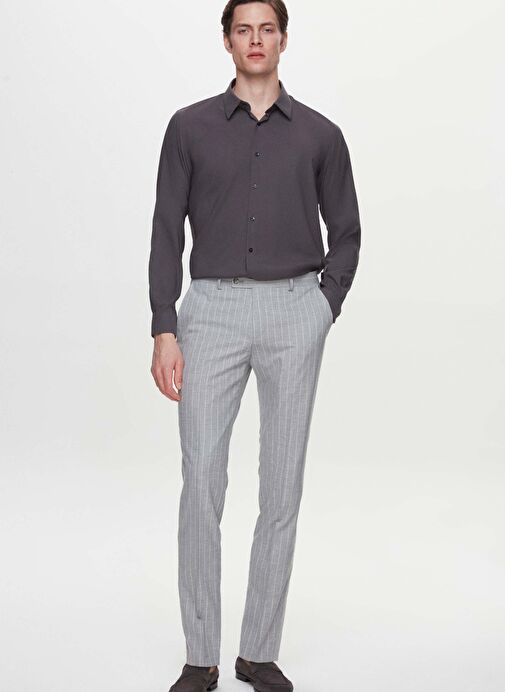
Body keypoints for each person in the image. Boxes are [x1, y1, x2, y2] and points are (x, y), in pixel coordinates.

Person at [148, 1, 361, 689]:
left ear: (283, 40)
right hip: (209, 311)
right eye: (244, 29)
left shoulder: (321, 135)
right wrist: (164, 325)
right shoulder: (188, 127)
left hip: (295, 309)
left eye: (267, 28)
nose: (256, 39)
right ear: (227, 41)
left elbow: (347, 232)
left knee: (282, 486)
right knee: (201, 483)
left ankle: (258, 651)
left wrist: (322, 307)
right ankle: (201, 654)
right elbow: (165, 230)